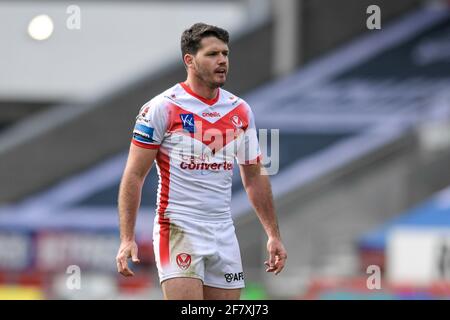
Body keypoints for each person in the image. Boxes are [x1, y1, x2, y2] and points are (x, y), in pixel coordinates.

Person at [116, 22, 287, 300]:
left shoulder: (240, 110)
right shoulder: (162, 107)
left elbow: (254, 176)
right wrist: (127, 238)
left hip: (223, 229)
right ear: (190, 60)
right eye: (212, 54)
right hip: (178, 227)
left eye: (225, 53)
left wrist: (273, 234)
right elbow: (134, 174)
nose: (222, 61)